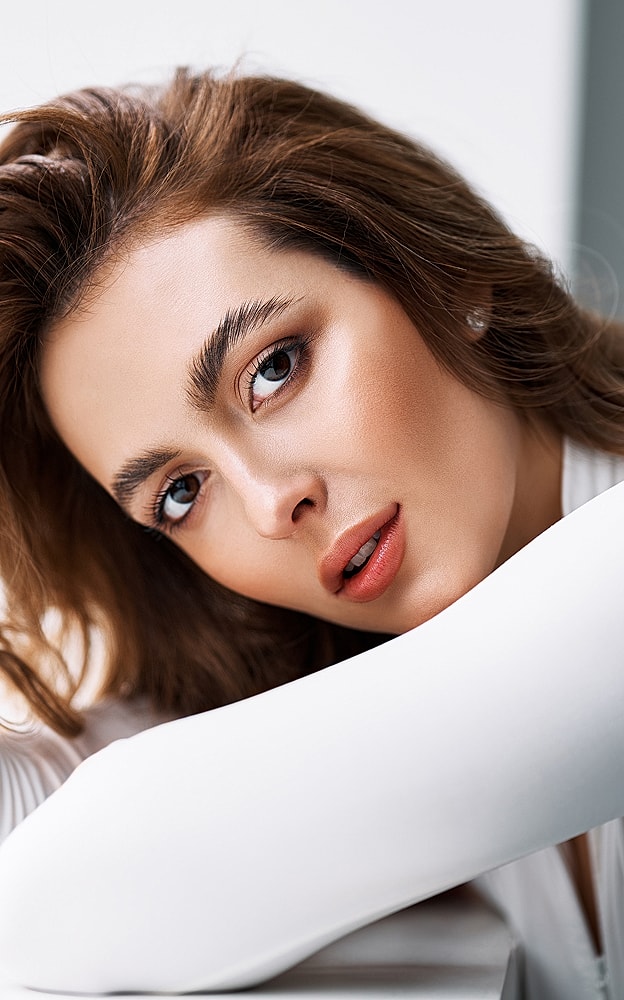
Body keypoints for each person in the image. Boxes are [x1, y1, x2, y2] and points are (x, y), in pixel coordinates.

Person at [0, 68, 622, 1000]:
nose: (268, 505)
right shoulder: (338, 673)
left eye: (275, 368)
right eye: (180, 493)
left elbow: (68, 891)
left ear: (446, 275)